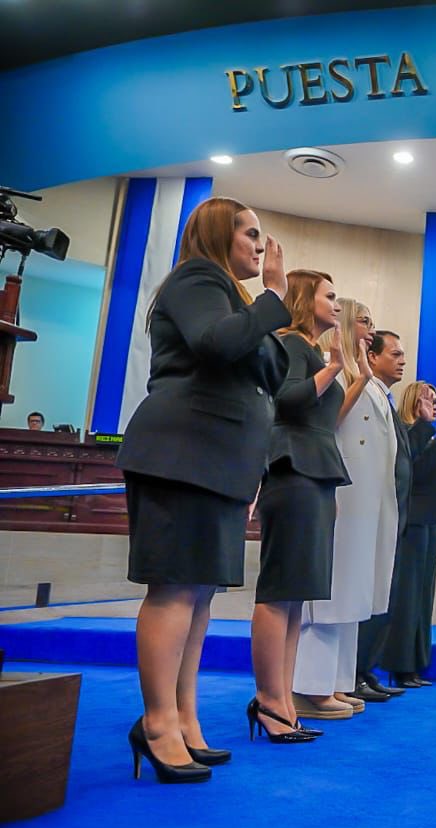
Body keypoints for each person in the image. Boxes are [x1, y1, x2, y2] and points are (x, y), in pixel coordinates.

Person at [115, 196, 290, 782]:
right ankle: (158, 721)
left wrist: (265, 312)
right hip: (181, 453)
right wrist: (273, 300)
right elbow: (216, 345)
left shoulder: (234, 299)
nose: (259, 245)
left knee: (198, 597)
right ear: (219, 235)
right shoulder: (196, 279)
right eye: (249, 233)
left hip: (218, 462)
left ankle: (184, 716)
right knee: (174, 592)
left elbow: (268, 375)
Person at [249, 270, 351, 744]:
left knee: (295, 595)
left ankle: (283, 698)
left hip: (315, 470)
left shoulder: (309, 349)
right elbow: (286, 399)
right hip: (293, 468)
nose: (337, 303)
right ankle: (270, 701)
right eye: (330, 295)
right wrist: (331, 367)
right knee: (279, 591)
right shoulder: (290, 342)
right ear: (306, 299)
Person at [293, 299, 398, 718]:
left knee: (354, 594)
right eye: (364, 321)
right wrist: (356, 375)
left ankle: (337, 681)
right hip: (342, 495)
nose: (371, 330)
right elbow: (327, 421)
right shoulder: (333, 370)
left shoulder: (367, 379)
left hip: (368, 499)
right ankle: (309, 685)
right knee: (332, 594)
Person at [353, 330, 413, 700]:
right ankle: (355, 671)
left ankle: (365, 669)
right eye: (395, 354)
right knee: (365, 595)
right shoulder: (366, 393)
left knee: (383, 597)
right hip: (369, 512)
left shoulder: (386, 399)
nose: (402, 360)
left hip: (394, 513)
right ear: (372, 358)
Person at [383, 381, 436, 688]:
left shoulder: (427, 435)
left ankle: (415, 665)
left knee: (424, 598)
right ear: (414, 401)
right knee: (408, 598)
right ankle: (401, 666)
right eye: (428, 399)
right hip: (411, 524)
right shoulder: (407, 433)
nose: (434, 405)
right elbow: (416, 474)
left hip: (430, 524)